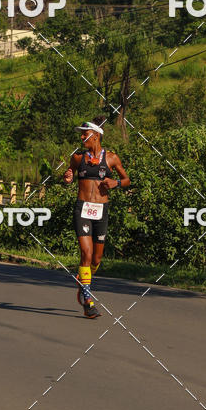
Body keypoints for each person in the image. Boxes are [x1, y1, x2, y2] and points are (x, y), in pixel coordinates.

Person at [63, 118, 130, 318]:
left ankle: (84, 280)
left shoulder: (111, 158)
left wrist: (115, 182)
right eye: (81, 134)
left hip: (101, 210)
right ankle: (88, 300)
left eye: (85, 134)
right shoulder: (77, 158)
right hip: (82, 208)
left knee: (97, 258)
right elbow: (69, 176)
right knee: (86, 252)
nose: (82, 138)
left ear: (96, 136)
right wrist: (67, 179)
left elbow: (127, 180)